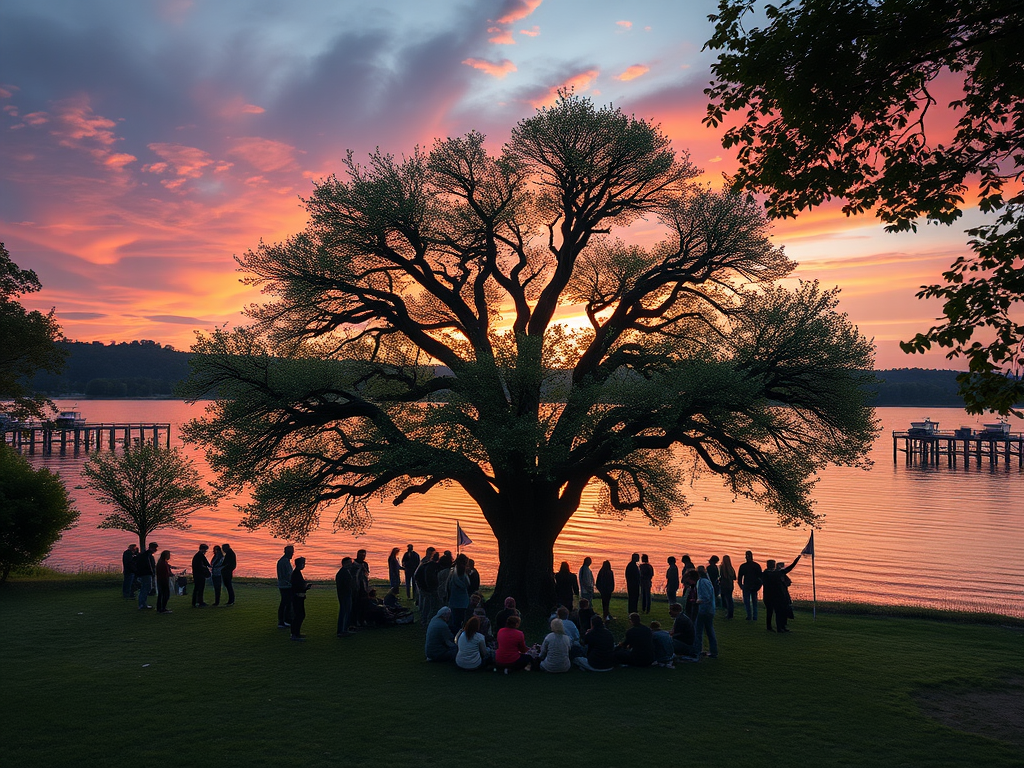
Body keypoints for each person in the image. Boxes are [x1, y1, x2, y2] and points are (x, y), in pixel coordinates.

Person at [763, 556, 802, 632]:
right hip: (777, 596)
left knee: (769, 612)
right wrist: (796, 560)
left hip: (767, 596)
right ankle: (779, 628)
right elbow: (790, 568)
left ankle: (769, 627)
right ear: (774, 566)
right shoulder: (778, 573)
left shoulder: (764, 574)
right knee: (779, 612)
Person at [691, 565, 718, 658]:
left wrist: (696, 601)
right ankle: (713, 651)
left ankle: (697, 650)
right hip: (710, 609)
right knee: (709, 630)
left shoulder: (701, 582)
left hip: (704, 610)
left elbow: (705, 597)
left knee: (698, 630)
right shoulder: (708, 581)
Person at [738, 550, 763, 621]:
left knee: (751, 601)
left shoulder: (747, 566)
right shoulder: (754, 565)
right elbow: (740, 577)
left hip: (752, 586)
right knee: (750, 602)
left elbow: (760, 578)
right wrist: (741, 586)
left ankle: (752, 616)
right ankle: (751, 616)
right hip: (749, 586)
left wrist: (758, 586)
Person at [447, 554, 472, 629]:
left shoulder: (452, 573)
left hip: (454, 599)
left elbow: (448, 586)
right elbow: (468, 585)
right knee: (462, 619)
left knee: (455, 620)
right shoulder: (464, 576)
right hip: (463, 601)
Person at [290, 556, 310, 641]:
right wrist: (306, 587)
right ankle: (295, 634)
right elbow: (297, 587)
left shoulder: (297, 573)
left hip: (299, 596)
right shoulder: (296, 574)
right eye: (303, 563)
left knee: (299, 615)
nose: (304, 565)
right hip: (297, 597)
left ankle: (296, 633)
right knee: (299, 615)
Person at [336, 556, 355, 637]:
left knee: (346, 611)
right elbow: (345, 585)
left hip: (345, 594)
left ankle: (344, 629)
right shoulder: (343, 573)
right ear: (344, 564)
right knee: (344, 612)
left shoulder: (345, 572)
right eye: (349, 563)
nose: (351, 564)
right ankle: (342, 630)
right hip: (345, 595)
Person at [276, 545, 294, 628]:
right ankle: (284, 620)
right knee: (285, 603)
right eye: (291, 552)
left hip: (284, 585)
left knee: (286, 603)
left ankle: (285, 620)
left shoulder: (283, 561)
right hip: (285, 585)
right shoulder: (284, 562)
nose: (292, 554)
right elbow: (287, 575)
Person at [136, 542, 157, 610]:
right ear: (151, 548)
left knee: (145, 588)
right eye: (155, 548)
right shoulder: (147, 555)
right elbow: (149, 565)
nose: (156, 550)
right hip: (146, 574)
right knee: (146, 588)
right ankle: (142, 604)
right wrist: (152, 572)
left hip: (145, 574)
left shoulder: (146, 555)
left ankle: (142, 603)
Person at [191, 543, 211, 608]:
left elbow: (206, 563)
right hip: (199, 575)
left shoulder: (199, 555)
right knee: (199, 588)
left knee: (198, 588)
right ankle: (198, 602)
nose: (205, 552)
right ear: (202, 549)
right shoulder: (199, 556)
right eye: (205, 550)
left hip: (198, 574)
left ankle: (198, 601)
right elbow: (202, 565)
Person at [719, 554, 737, 619]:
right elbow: (734, 577)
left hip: (724, 585)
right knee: (730, 599)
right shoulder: (731, 568)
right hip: (730, 585)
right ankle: (730, 613)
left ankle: (728, 613)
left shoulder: (722, 568)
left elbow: (721, 576)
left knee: (726, 599)